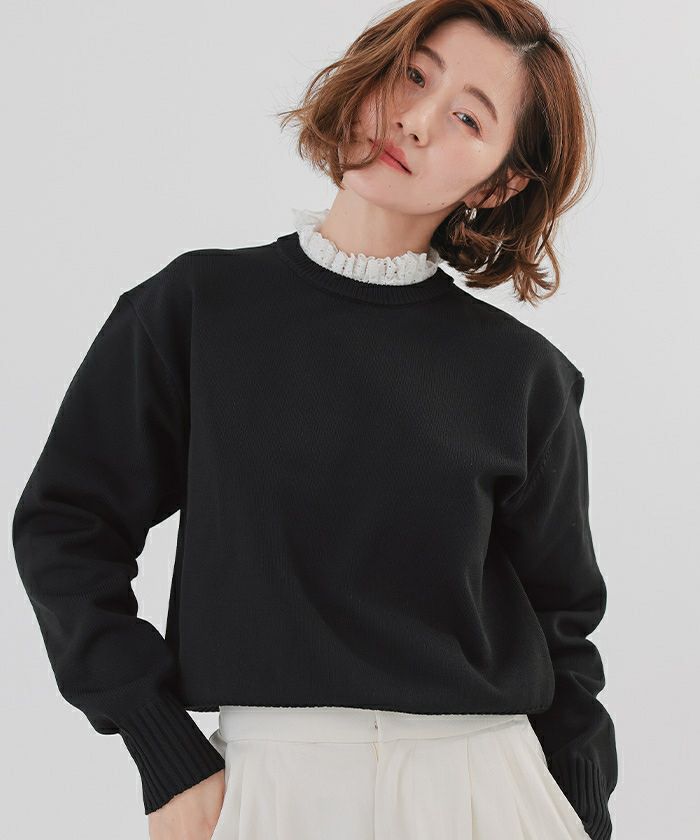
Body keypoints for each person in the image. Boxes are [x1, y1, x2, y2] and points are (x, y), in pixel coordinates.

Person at [12, 1, 618, 839]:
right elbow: (66, 527)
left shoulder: (527, 378)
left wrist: (584, 814)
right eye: (414, 75)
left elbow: (564, 630)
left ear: (498, 183)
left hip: (486, 786)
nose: (415, 120)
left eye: (468, 118)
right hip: (271, 787)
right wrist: (163, 751)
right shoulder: (197, 310)